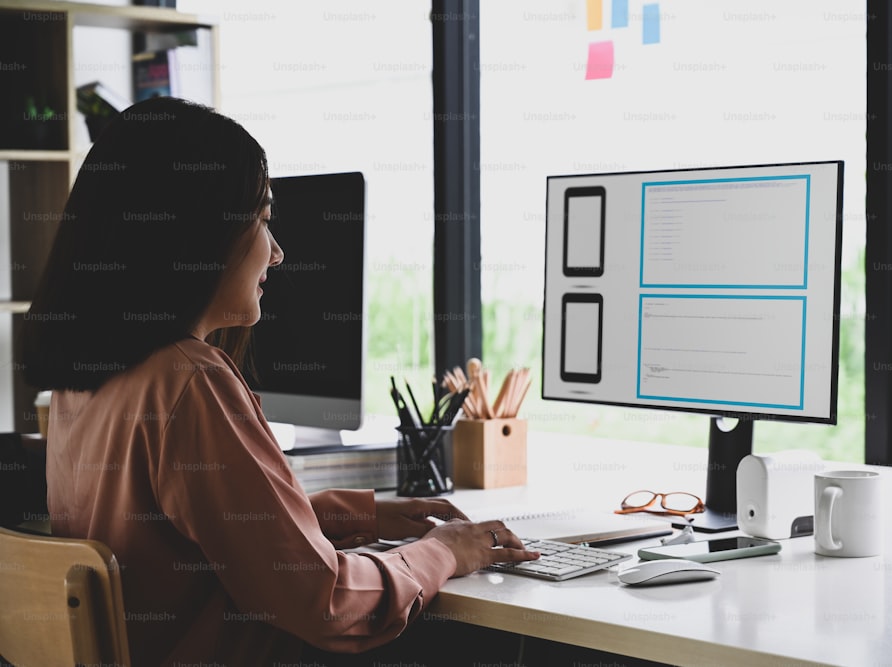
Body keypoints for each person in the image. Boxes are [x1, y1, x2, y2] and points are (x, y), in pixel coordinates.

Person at [21, 96, 539, 667]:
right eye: (263, 221)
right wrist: (445, 551)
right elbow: (327, 602)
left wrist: (357, 515)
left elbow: (185, 540)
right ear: (198, 233)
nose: (278, 252)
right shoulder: (187, 382)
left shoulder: (87, 382)